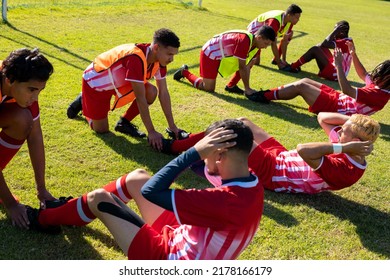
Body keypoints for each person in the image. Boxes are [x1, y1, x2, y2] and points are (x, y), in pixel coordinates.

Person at [30, 119, 265, 260]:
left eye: (207, 154)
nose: (203, 161)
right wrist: (201, 153)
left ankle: (43, 218)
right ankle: (71, 213)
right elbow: (203, 172)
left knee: (99, 198)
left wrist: (193, 152)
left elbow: (152, 191)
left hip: (167, 260)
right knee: (136, 178)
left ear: (221, 154)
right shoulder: (250, 182)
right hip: (184, 239)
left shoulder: (224, 202)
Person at [156, 113, 380, 194]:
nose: (338, 133)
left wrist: (343, 146)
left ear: (355, 142)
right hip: (281, 157)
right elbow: (322, 117)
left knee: (233, 131)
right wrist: (352, 121)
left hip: (276, 173)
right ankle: (185, 142)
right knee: (241, 122)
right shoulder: (347, 145)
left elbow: (303, 150)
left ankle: (176, 148)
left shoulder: (348, 169)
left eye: (344, 133)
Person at [66, 28, 189, 151]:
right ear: (156, 48)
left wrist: (172, 126)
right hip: (95, 84)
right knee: (102, 130)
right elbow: (140, 98)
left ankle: (124, 123)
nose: (172, 59)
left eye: (173, 55)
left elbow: (163, 92)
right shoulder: (136, 58)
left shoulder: (159, 61)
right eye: (170, 54)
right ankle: (84, 100)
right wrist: (151, 132)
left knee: (151, 92)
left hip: (118, 84)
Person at [245, 42, 390, 116]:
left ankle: (262, 96)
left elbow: (347, 89)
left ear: (387, 78)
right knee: (307, 81)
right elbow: (363, 73)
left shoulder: (379, 95)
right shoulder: (381, 86)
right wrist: (353, 53)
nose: (376, 75)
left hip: (339, 110)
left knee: (301, 85)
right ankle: (265, 94)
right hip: (339, 101)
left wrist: (339, 65)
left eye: (381, 74)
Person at [0, 48, 56, 230]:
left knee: (23, 120)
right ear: (9, 80)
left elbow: (35, 136)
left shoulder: (22, 86)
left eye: (39, 91)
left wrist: (41, 189)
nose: (35, 97)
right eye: (32, 90)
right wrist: (11, 204)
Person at [173, 26, 275, 95]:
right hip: (210, 53)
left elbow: (247, 66)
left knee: (250, 61)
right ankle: (184, 72)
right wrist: (248, 89)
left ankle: (231, 86)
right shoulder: (244, 41)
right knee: (208, 88)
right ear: (259, 38)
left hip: (220, 56)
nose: (266, 47)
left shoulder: (255, 44)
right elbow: (242, 67)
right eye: (266, 44)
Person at [247, 4, 302, 70]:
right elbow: (273, 43)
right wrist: (279, 64)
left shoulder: (289, 21)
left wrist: (284, 60)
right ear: (289, 15)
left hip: (267, 32)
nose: (298, 20)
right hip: (255, 31)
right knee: (256, 62)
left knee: (290, 34)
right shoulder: (274, 21)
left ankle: (276, 59)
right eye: (296, 18)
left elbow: (285, 40)